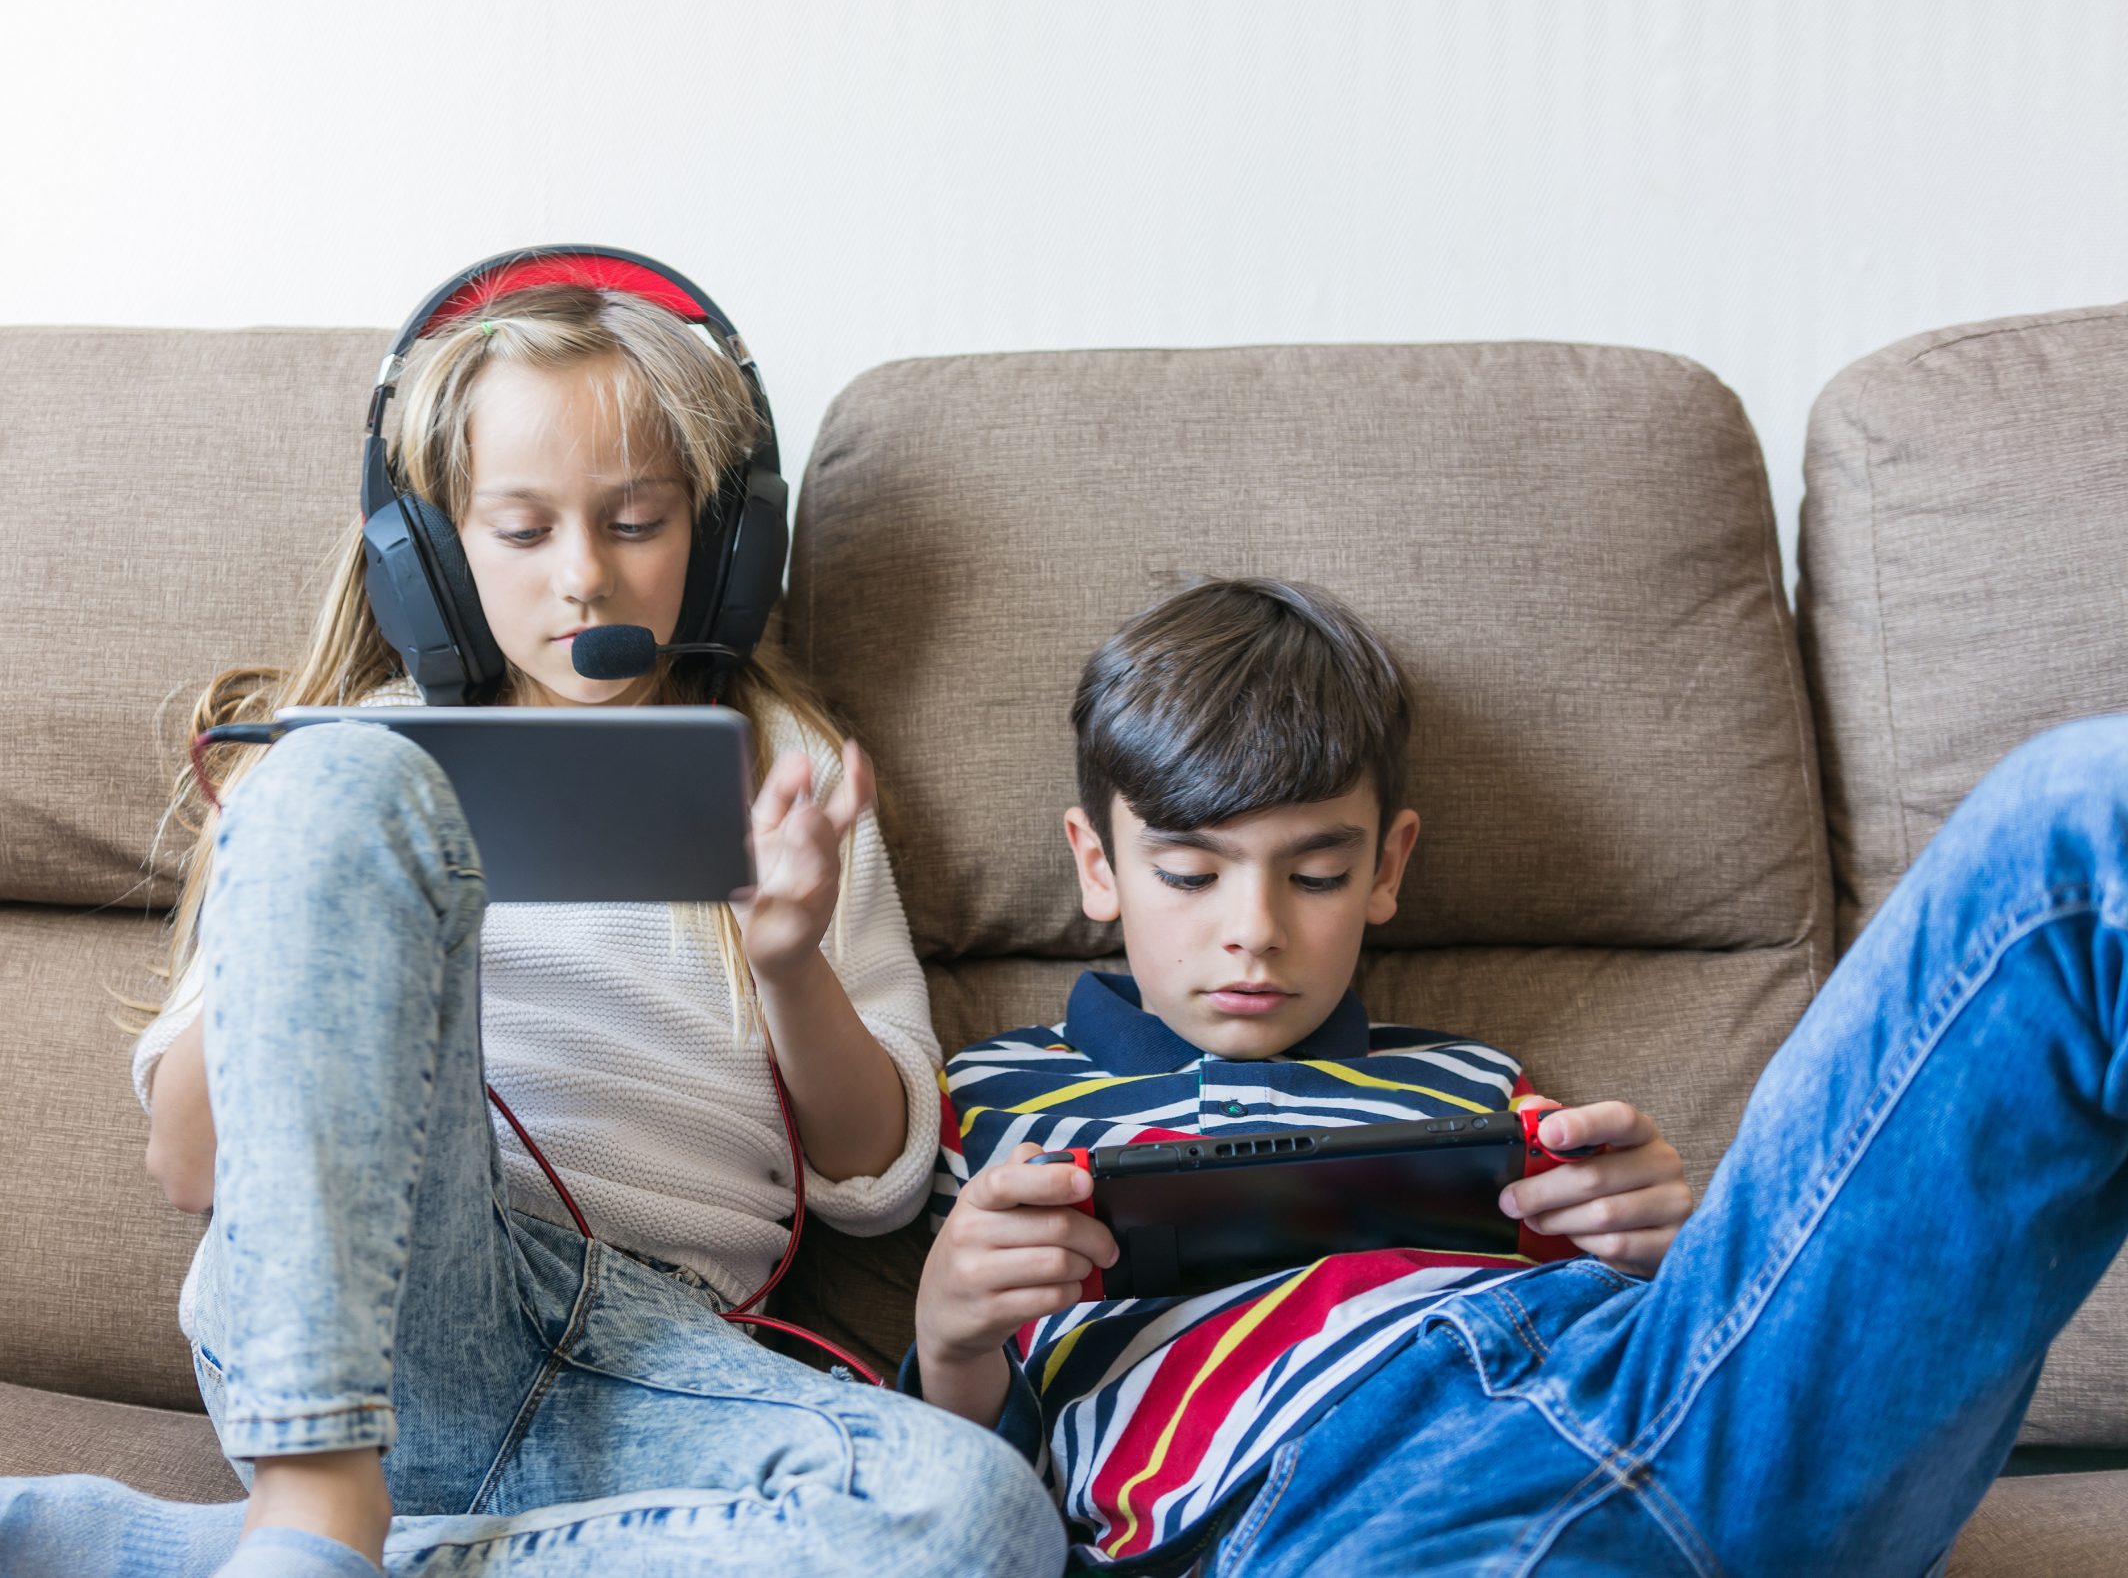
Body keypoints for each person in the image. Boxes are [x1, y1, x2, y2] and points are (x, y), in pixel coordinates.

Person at [0, 265, 1062, 1578]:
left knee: (980, 1519)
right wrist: (292, 866)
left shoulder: (785, 772)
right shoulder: (337, 776)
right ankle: (311, 1506)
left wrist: (791, 960)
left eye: (637, 518)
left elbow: (873, 1187)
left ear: (728, 546)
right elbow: (195, 1161)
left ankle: (211, 1556)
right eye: (522, 532)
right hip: (369, 1319)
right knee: (349, 775)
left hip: (655, 1362)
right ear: (432, 562)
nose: (584, 577)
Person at [910, 575, 2128, 1575]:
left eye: (1317, 875)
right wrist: (954, 1338)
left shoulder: (1468, 1076)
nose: (1253, 930)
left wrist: (1655, 1233)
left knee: (2080, 818)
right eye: (1190, 873)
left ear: (1389, 867)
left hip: (1676, 1389)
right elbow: (967, 1502)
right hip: (1343, 1505)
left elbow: (1663, 1260)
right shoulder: (998, 1092)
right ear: (1098, 862)